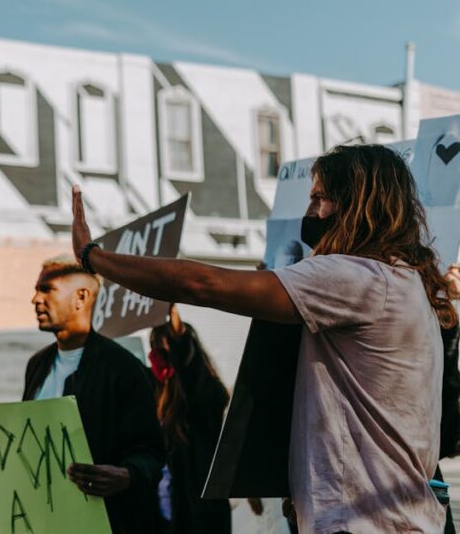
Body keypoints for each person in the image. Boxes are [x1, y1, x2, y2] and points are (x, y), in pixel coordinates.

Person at [70, 144, 458, 533]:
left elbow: (201, 285)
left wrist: (94, 258)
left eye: (320, 198)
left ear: (356, 203)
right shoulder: (406, 283)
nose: (309, 212)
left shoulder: (356, 279)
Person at [0, 255, 165, 533]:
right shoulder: (37, 365)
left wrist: (126, 475)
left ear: (81, 297)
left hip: (104, 522)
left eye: (47, 289)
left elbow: (151, 451)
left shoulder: (122, 368)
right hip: (45, 522)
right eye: (36, 289)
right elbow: (25, 446)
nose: (35, 299)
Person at [149, 304, 230, 533]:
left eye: (163, 349)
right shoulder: (156, 395)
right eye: (153, 348)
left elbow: (190, 373)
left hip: (200, 514)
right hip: (166, 513)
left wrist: (177, 334)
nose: (157, 355)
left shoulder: (204, 394)